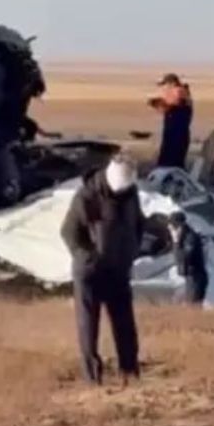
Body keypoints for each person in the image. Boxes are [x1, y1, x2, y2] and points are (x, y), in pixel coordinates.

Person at [60, 153, 145, 386]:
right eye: (119, 189)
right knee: (88, 325)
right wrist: (89, 258)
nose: (121, 193)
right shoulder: (86, 196)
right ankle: (92, 377)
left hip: (118, 269)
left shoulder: (131, 194)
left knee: (125, 324)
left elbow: (138, 223)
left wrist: (132, 252)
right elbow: (69, 232)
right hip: (90, 273)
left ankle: (129, 372)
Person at [148, 73, 193, 168]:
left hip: (177, 136)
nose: (165, 90)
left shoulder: (179, 92)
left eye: (166, 86)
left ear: (172, 84)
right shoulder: (180, 95)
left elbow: (177, 106)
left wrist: (162, 105)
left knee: (172, 160)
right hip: (173, 135)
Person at [167, 211, 208, 304]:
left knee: (193, 306)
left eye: (172, 227)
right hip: (191, 278)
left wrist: (176, 242)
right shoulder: (184, 237)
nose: (170, 230)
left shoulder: (190, 238)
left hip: (196, 278)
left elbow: (184, 258)